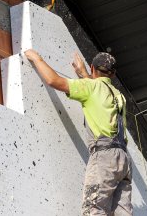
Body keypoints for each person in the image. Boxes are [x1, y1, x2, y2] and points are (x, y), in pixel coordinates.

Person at [24, 49, 132, 215]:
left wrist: (37, 58)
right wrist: (84, 74)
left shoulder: (90, 87)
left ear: (92, 67)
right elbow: (99, 88)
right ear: (113, 74)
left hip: (104, 157)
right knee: (122, 213)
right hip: (123, 160)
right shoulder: (118, 96)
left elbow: (53, 81)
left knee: (93, 209)